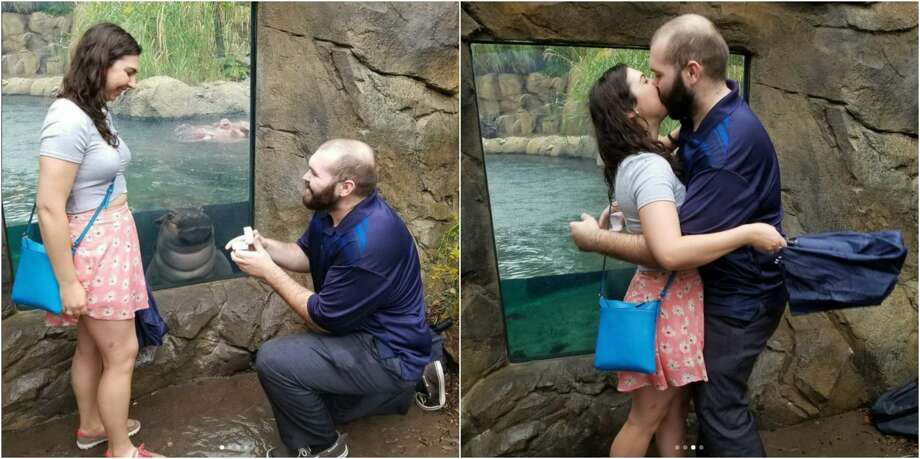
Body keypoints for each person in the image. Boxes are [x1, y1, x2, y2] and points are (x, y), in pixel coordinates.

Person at [571, 14, 786, 457]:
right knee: (657, 415)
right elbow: (670, 250)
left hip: (715, 297)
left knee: (683, 410)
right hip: (671, 299)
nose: (654, 81)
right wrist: (746, 233)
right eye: (645, 80)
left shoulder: (709, 144)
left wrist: (659, 148)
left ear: (690, 73)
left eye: (657, 75)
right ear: (632, 110)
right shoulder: (685, 134)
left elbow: (666, 232)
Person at [229, 139, 445, 458]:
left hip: (388, 348)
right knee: (317, 404)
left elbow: (321, 316)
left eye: (314, 173)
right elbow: (306, 254)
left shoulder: (370, 240)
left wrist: (268, 272)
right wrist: (265, 247)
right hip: (368, 331)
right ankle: (414, 378)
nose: (305, 176)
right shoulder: (331, 211)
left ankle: (324, 448)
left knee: (275, 361)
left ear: (345, 186)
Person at [37, 23, 161, 457]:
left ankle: (93, 425)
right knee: (122, 352)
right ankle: (121, 450)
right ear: (100, 63)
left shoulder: (94, 109)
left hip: (111, 241)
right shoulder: (68, 118)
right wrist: (68, 281)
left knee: (92, 345)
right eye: (127, 72)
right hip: (96, 248)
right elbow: (50, 206)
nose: (133, 82)